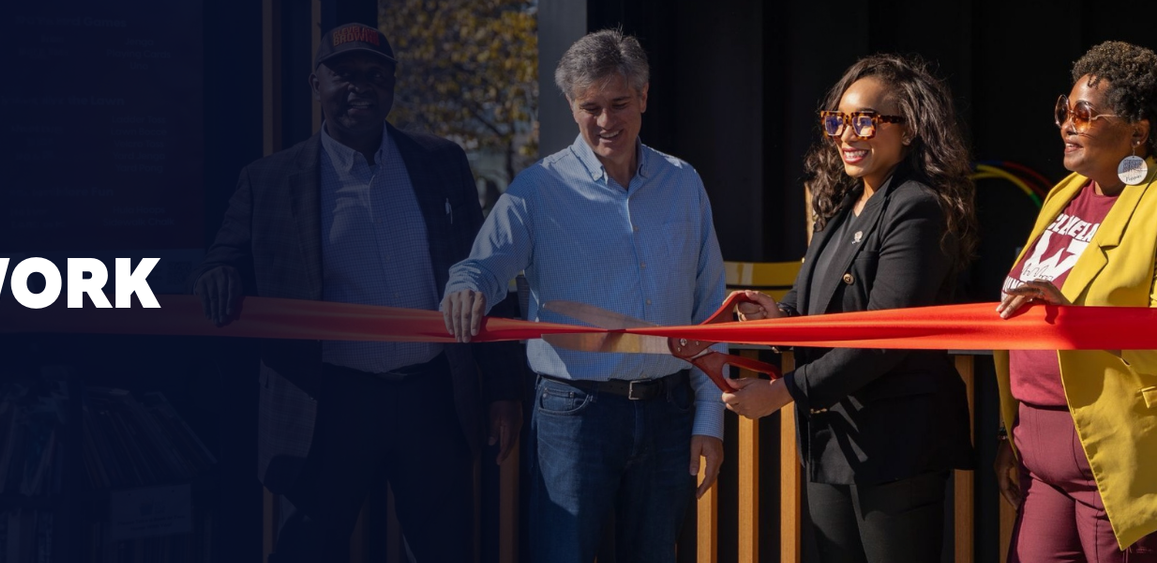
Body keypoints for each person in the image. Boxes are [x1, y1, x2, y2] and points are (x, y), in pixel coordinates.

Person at [190, 23, 524, 563]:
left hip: (431, 395)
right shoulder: (269, 179)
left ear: (392, 84)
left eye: (375, 75)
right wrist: (219, 274)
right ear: (315, 84)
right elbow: (221, 259)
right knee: (308, 550)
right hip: (330, 402)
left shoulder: (441, 162)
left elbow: (483, 270)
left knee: (446, 550)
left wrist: (504, 388)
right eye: (343, 74)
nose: (360, 87)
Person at [441, 29, 726, 563]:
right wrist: (466, 287)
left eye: (619, 103)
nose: (605, 120)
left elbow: (709, 305)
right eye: (589, 107)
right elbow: (481, 267)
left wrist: (709, 417)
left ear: (644, 97)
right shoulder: (537, 189)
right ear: (571, 107)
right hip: (574, 414)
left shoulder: (683, 183)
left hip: (669, 412)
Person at [721, 54, 976, 563]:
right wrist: (777, 317)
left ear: (909, 130)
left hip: (895, 446)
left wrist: (782, 391)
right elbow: (807, 306)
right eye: (837, 121)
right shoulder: (840, 206)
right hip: (833, 440)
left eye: (865, 120)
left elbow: (882, 336)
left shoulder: (917, 206)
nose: (846, 135)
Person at [994, 40, 1157, 561]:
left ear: (1137, 132)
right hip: (1037, 449)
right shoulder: (1063, 193)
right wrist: (1010, 434)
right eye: (1065, 111)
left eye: (1084, 115)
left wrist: (1074, 317)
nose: (1068, 125)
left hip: (1111, 451)